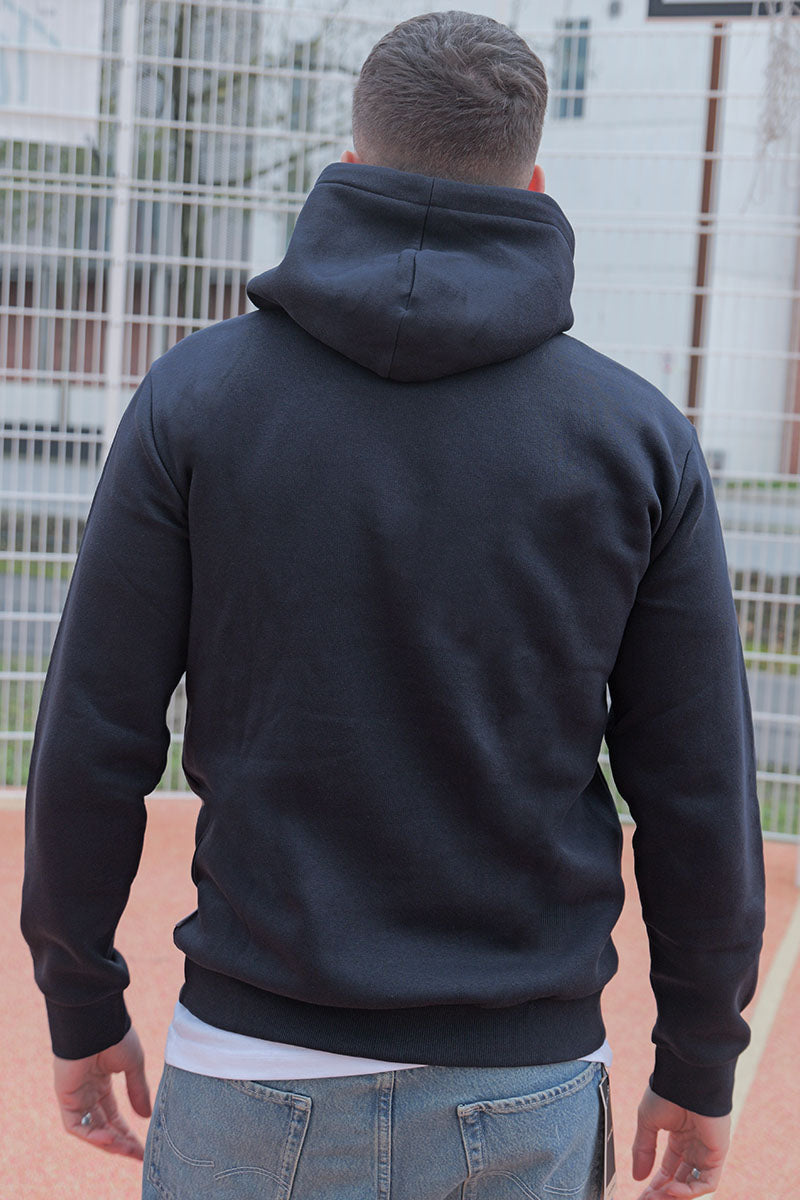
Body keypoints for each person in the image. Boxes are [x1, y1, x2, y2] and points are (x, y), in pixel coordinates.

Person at [21, 11, 765, 1200]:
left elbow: (94, 732)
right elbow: (697, 786)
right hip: (523, 1080)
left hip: (248, 1063)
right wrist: (698, 1057)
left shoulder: (196, 400)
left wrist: (80, 998)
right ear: (532, 184)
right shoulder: (633, 438)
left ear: (351, 162)